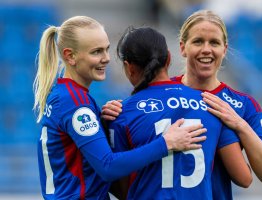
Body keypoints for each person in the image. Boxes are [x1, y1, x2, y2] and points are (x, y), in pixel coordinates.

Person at [101, 10, 262, 200]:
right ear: (182, 48)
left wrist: (240, 125)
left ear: (225, 48)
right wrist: (114, 109)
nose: (206, 49)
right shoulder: (156, 95)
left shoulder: (243, 104)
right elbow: (244, 178)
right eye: (198, 41)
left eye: (214, 42)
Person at [33, 16, 207, 200]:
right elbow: (108, 166)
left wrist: (102, 123)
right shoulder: (75, 103)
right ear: (70, 56)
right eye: (96, 52)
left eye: (107, 49)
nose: (106, 58)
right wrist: (166, 143)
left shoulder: (68, 95)